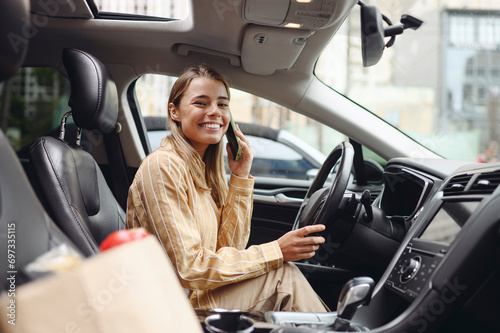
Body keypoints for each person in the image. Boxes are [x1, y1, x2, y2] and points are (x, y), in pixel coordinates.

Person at [126, 64, 328, 313]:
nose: (214, 112)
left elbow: (229, 250)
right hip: (170, 307)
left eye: (222, 105)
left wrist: (240, 176)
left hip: (197, 294)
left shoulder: (204, 170)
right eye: (201, 103)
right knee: (283, 279)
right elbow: (189, 268)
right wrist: (276, 250)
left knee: (284, 274)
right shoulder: (163, 166)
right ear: (175, 111)